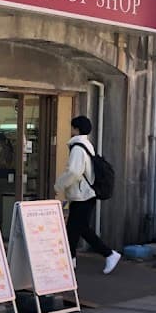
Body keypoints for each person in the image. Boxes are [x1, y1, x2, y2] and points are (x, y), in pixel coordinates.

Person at [54, 115, 121, 274]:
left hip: (82, 194)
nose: (70, 130)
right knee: (75, 228)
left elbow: (74, 171)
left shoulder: (77, 148)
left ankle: (109, 253)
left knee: (78, 228)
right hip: (85, 194)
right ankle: (71, 260)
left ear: (76, 129)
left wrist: (59, 185)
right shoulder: (86, 145)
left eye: (72, 127)